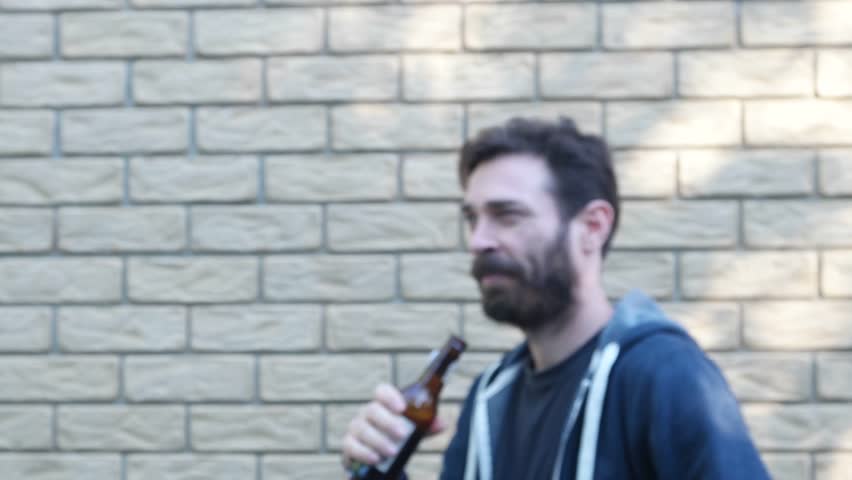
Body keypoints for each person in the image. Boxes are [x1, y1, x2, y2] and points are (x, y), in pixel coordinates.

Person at [341, 117, 771, 480]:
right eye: (473, 219)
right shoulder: (490, 399)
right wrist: (381, 472)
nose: (479, 240)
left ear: (592, 227)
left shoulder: (661, 374)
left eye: (507, 216)